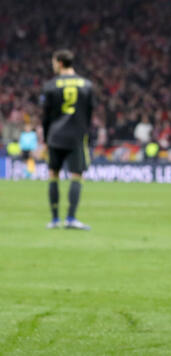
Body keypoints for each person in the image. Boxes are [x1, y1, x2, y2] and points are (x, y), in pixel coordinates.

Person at [41, 49, 95, 230]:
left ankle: (55, 219)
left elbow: (46, 116)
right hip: (76, 136)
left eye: (53, 62)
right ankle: (71, 218)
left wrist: (46, 137)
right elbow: (89, 114)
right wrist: (85, 133)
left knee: (53, 175)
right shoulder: (87, 85)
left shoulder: (50, 85)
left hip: (55, 136)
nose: (53, 65)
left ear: (60, 63)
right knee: (77, 176)